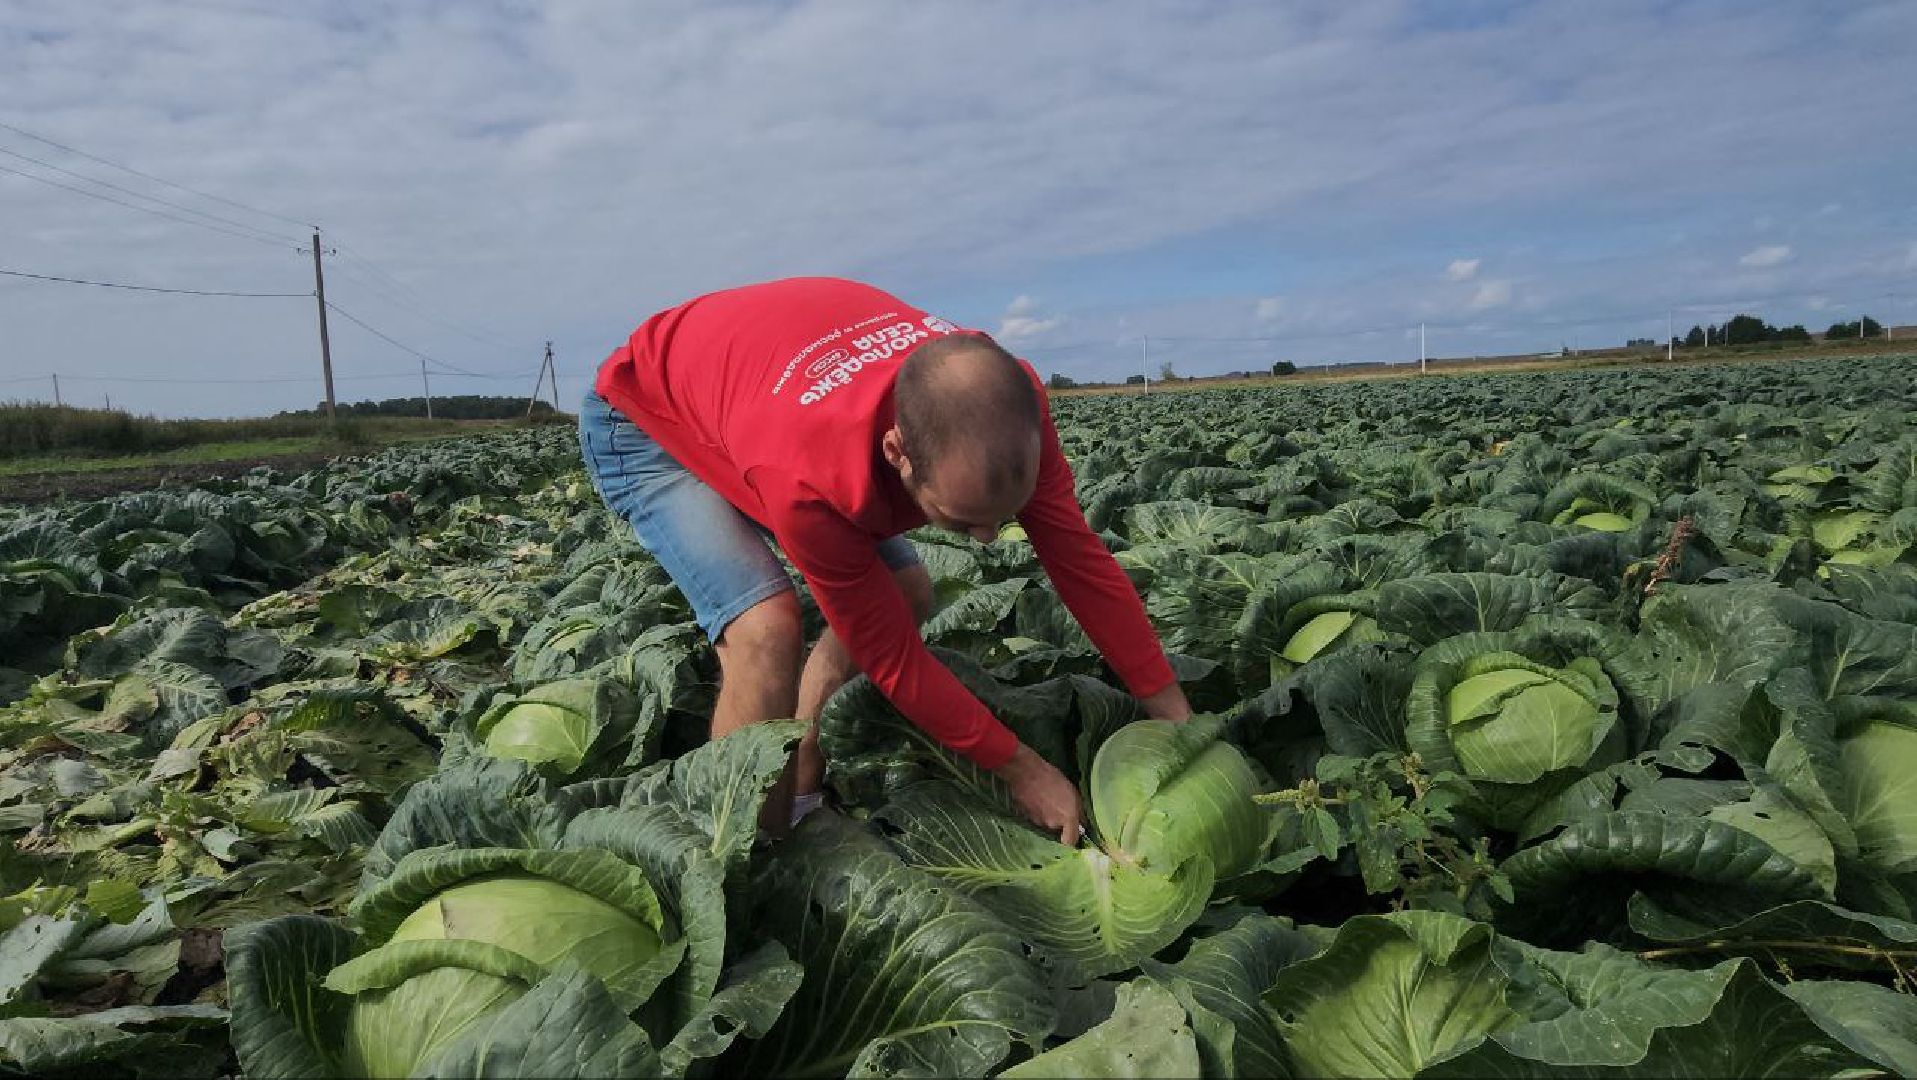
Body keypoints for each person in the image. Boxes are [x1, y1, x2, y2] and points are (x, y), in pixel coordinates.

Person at [579, 277, 1190, 841]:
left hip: (745, 391)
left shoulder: (1004, 405)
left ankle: (806, 768)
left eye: (1002, 516)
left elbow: (1080, 562)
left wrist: (1176, 715)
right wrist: (1023, 771)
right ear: (897, 452)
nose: (984, 538)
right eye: (960, 518)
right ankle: (750, 853)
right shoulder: (806, 477)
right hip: (647, 415)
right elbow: (892, 659)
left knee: (908, 592)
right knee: (765, 629)